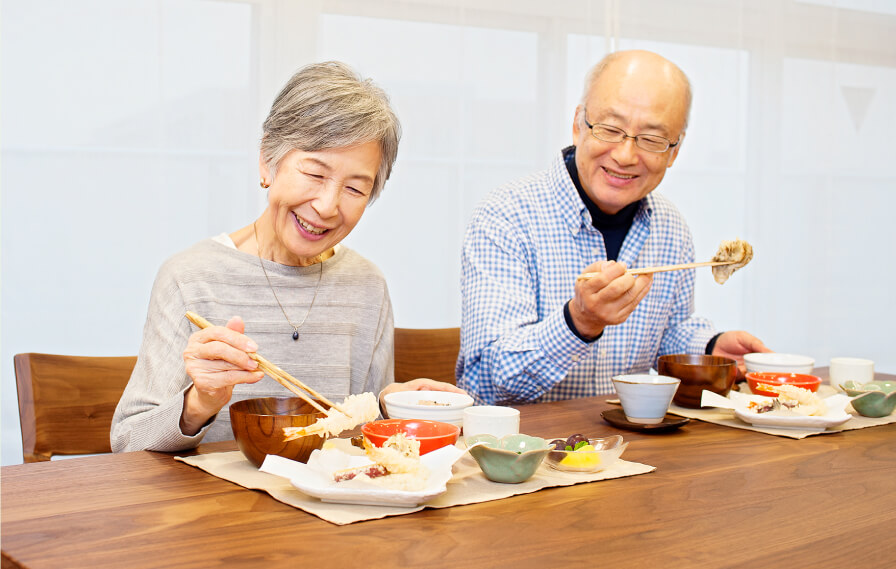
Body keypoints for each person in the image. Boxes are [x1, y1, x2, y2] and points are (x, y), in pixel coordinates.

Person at [112, 62, 464, 453]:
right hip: (216, 509)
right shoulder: (190, 278)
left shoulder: (367, 285)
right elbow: (129, 442)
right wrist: (200, 402)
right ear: (268, 160)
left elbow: (356, 437)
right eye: (315, 174)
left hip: (329, 508)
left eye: (354, 188)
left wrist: (388, 404)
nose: (327, 206)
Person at [457, 50, 769, 405]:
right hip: (523, 453)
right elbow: (486, 383)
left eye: (651, 139)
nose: (624, 155)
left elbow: (667, 336)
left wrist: (711, 347)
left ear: (674, 152)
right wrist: (579, 323)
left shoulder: (671, 228)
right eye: (610, 129)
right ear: (578, 125)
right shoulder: (506, 216)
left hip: (631, 450)